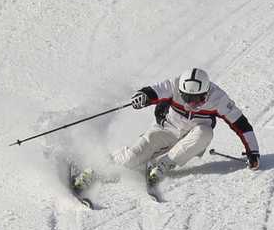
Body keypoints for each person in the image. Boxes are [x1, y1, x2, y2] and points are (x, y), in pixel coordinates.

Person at [74, 68, 259, 189]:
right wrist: (143, 97)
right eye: (188, 98)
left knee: (205, 132)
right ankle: (96, 169)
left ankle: (163, 166)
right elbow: (153, 91)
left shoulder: (218, 98)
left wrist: (253, 152)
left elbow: (242, 124)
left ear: (207, 91)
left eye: (198, 99)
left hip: (193, 138)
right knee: (133, 157)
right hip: (166, 130)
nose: (192, 104)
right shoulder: (174, 85)